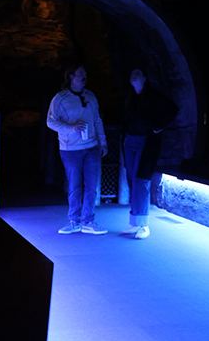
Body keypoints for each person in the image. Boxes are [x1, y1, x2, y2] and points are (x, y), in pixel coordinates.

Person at [47, 63, 108, 235]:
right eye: (80, 73)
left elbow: (97, 120)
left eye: (85, 73)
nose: (84, 76)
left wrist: (102, 142)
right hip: (70, 149)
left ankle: (88, 220)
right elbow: (51, 122)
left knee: (91, 186)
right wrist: (71, 127)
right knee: (74, 185)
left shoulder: (91, 96)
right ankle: (73, 220)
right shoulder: (60, 98)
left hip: (92, 148)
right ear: (71, 77)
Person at [121, 68, 178, 239]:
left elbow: (172, 109)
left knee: (141, 180)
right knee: (132, 179)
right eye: (132, 73)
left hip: (145, 142)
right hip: (130, 141)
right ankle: (135, 222)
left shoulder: (153, 95)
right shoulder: (131, 96)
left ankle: (144, 225)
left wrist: (156, 127)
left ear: (145, 77)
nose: (134, 75)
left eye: (138, 73)